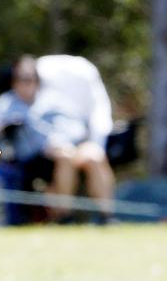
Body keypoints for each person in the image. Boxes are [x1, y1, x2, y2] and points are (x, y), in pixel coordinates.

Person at [36, 53, 116, 221]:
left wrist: (96, 143)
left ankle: (107, 216)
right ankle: (64, 216)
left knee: (94, 157)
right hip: (52, 147)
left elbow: (99, 114)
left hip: (80, 143)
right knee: (65, 157)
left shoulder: (85, 75)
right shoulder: (42, 95)